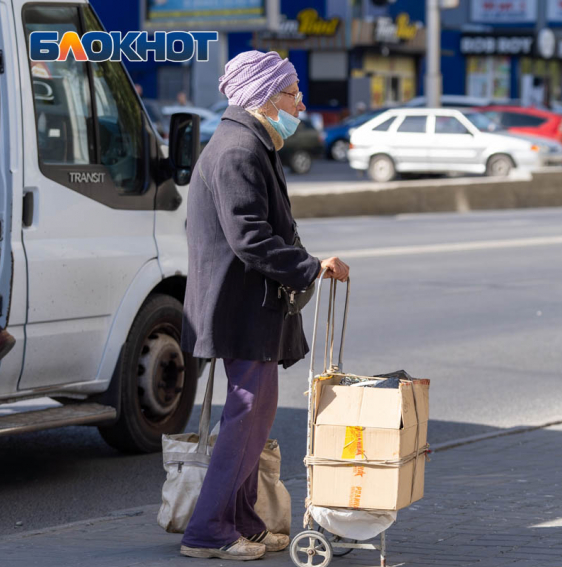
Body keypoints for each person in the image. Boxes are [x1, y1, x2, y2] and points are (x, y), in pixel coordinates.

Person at [179, 50, 350, 561]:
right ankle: (208, 530)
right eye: (293, 94)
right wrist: (310, 266)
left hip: (253, 306)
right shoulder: (237, 150)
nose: (300, 103)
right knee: (248, 413)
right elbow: (249, 237)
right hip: (239, 306)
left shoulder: (251, 143)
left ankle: (244, 521)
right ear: (264, 97)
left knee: (257, 414)